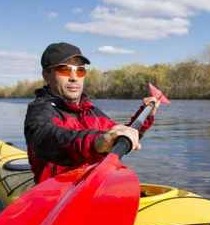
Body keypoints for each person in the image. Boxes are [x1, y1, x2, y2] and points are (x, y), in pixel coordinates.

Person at [24, 42, 160, 184]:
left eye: (80, 70)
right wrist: (96, 143)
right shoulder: (39, 111)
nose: (74, 77)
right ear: (46, 75)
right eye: (64, 70)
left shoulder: (91, 111)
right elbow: (48, 140)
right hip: (56, 196)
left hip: (93, 189)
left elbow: (118, 134)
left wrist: (146, 116)